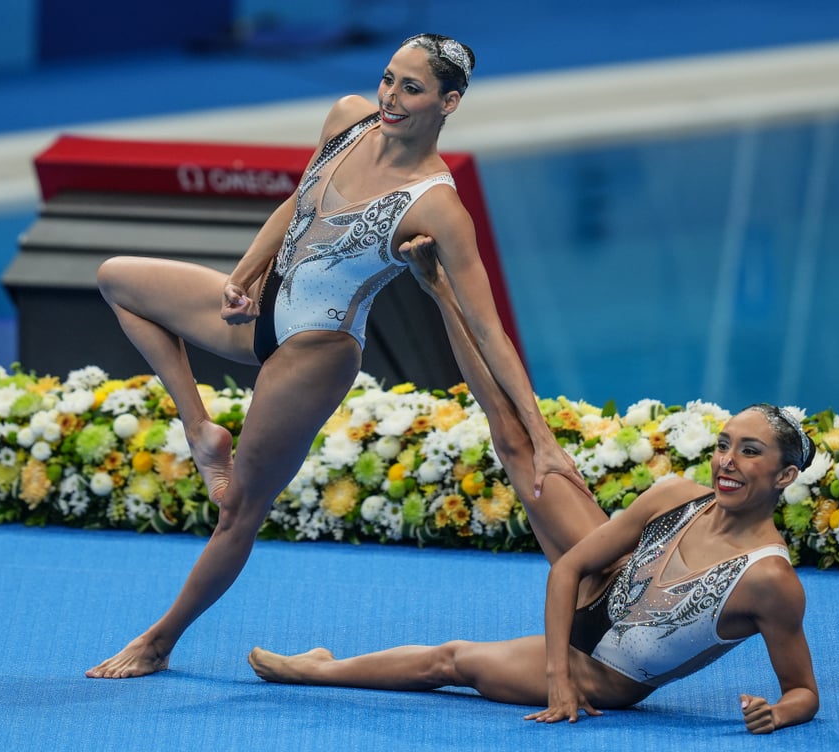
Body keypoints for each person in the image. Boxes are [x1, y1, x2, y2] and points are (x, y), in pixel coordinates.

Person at [86, 33, 582, 679]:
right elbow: (301, 199)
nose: (390, 97)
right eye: (388, 79)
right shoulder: (349, 117)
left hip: (315, 351)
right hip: (261, 309)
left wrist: (540, 437)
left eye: (411, 88)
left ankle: (158, 642)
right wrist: (243, 273)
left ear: (449, 101)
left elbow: (489, 332)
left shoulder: (435, 203)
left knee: (239, 508)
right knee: (118, 278)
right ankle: (201, 427)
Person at [247, 249, 820, 735]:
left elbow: (803, 691)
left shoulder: (769, 580)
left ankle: (319, 669)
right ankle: (440, 289)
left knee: (452, 661)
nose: (727, 461)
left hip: (597, 669)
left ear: (784, 475)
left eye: (750, 452)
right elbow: (567, 571)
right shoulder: (674, 495)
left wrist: (777, 712)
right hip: (599, 583)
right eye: (724, 444)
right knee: (515, 441)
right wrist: (554, 679)